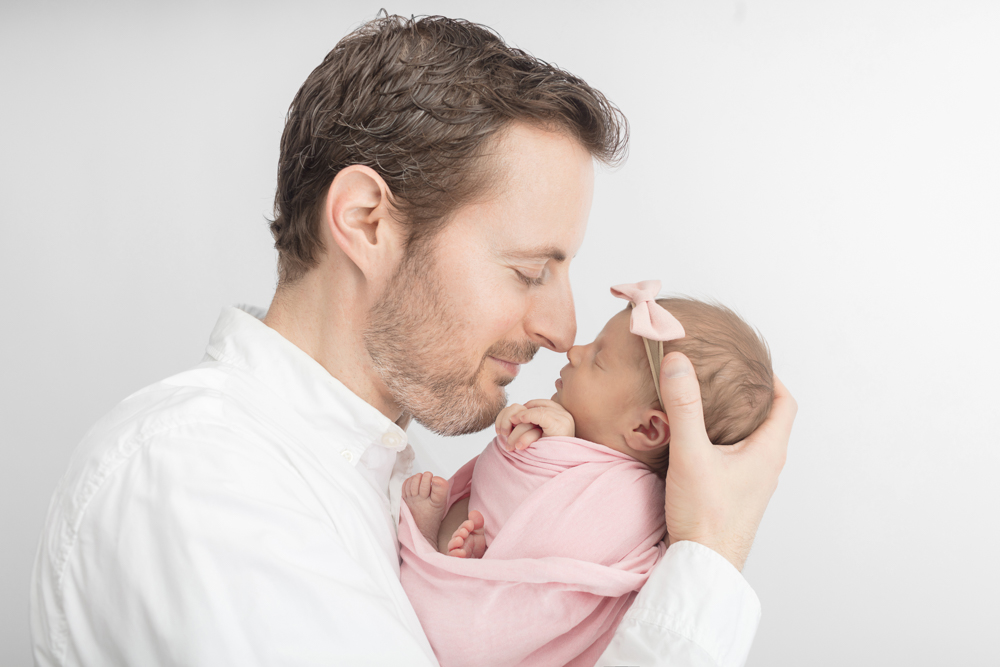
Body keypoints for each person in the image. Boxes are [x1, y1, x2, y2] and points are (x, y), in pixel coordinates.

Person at [30, 14, 796, 667]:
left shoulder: (400, 487)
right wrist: (708, 559)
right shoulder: (198, 481)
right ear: (366, 220)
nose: (564, 331)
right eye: (531, 270)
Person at [398, 284, 774, 666]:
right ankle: (460, 557)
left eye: (598, 359)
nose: (574, 352)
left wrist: (545, 453)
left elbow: (548, 556)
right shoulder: (593, 461)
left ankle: (445, 554)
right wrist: (554, 444)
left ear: (647, 430)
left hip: (478, 635)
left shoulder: (631, 498)